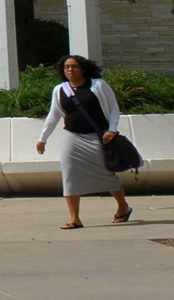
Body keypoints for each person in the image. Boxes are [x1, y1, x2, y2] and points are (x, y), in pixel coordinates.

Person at [35, 55, 133, 229]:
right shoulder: (60, 89)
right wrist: (43, 139)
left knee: (106, 173)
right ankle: (75, 218)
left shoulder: (98, 85)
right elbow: (54, 115)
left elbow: (113, 109)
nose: (70, 71)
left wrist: (112, 129)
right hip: (71, 136)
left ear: (83, 69)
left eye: (74, 67)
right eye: (67, 68)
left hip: (98, 137)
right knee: (69, 174)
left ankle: (122, 206)